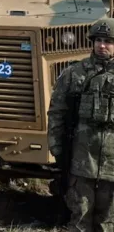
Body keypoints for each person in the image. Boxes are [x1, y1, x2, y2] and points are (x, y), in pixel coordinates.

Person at [48, 17, 114, 231]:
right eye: (98, 40)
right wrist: (57, 148)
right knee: (79, 219)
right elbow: (57, 113)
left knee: (108, 222)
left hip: (112, 164)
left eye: (108, 41)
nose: (102, 45)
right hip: (81, 159)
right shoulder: (74, 74)